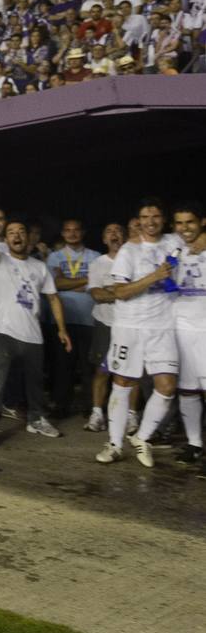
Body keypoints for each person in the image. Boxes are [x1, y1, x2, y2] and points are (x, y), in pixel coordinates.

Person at [0, 212, 71, 445]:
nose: (16, 236)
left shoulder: (40, 267)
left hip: (33, 334)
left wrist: (62, 329)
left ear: (29, 238)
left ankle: (36, 419)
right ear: (6, 239)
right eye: (11, 233)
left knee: (35, 380)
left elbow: (54, 299)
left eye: (21, 232)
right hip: (4, 331)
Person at [97, 198, 183, 467]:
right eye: (145, 217)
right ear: (138, 221)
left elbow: (197, 237)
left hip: (163, 326)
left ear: (164, 220)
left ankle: (142, 437)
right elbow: (119, 292)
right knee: (123, 384)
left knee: (167, 387)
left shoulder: (174, 242)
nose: (150, 221)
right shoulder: (128, 251)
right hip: (129, 327)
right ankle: (114, 444)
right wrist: (152, 277)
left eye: (156, 216)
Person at [46, 219, 100, 419]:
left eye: (76, 230)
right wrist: (87, 279)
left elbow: (99, 284)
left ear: (83, 232)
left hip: (90, 318)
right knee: (62, 365)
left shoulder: (96, 256)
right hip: (62, 320)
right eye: (68, 230)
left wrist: (67, 283)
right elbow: (55, 284)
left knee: (88, 366)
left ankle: (90, 406)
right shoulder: (54, 257)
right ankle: (61, 406)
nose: (72, 233)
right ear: (62, 233)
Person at [169, 203, 205, 467]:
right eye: (180, 223)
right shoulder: (172, 246)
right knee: (188, 390)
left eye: (190, 222)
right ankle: (195, 444)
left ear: (202, 222)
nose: (185, 228)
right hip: (181, 328)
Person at [85, 221, 127, 432]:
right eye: (109, 231)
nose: (114, 234)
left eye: (118, 231)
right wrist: (122, 293)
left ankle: (131, 416)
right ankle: (97, 414)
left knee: (129, 373)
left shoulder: (132, 259)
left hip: (129, 324)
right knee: (102, 370)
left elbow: (137, 292)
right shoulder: (97, 263)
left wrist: (111, 291)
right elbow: (97, 295)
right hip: (105, 323)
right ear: (104, 239)